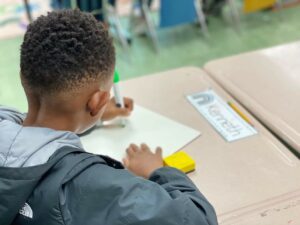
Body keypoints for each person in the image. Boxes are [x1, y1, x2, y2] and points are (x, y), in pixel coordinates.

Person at [0, 9, 218, 225]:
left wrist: (93, 119)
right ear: (97, 102)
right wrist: (158, 171)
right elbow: (199, 220)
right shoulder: (90, 187)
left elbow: (31, 136)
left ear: (22, 77)